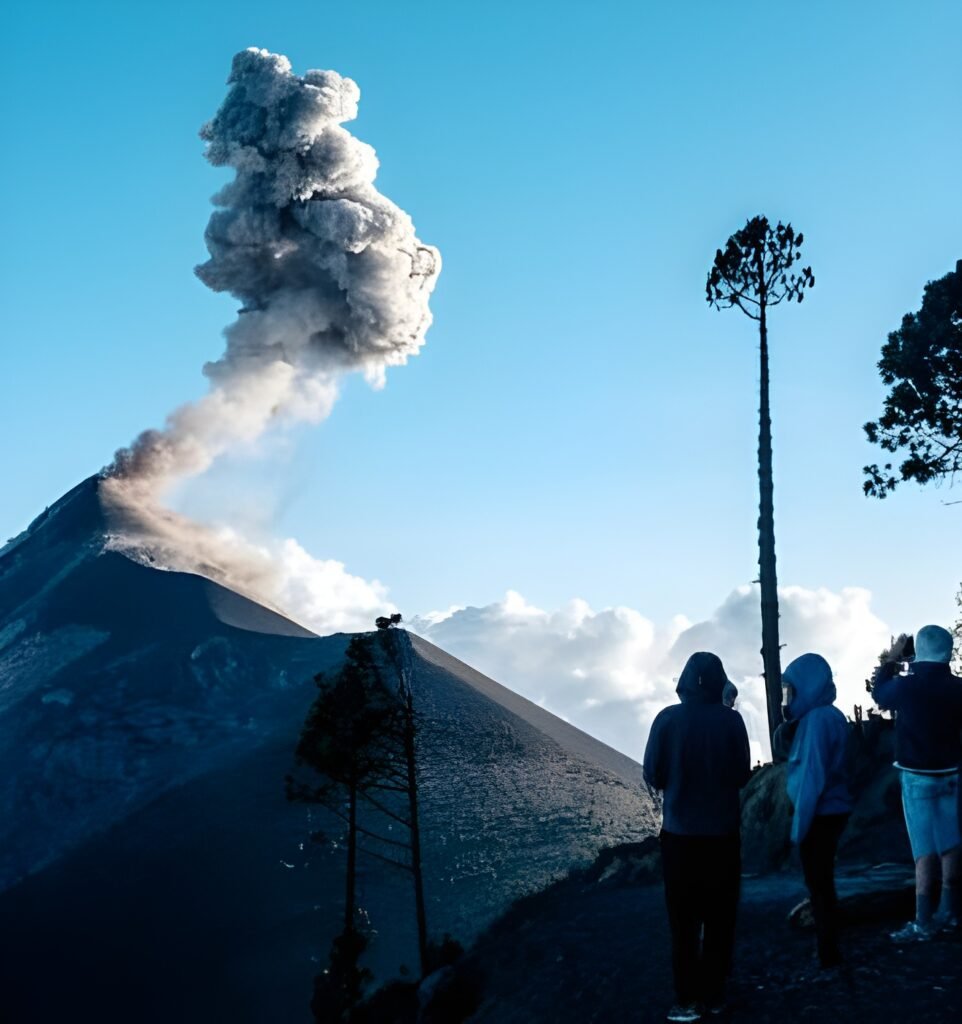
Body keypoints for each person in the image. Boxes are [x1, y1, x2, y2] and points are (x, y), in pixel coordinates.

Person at [643, 652, 751, 1022]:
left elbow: (653, 774)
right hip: (723, 835)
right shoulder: (732, 721)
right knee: (721, 919)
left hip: (679, 837)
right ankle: (716, 994)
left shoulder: (666, 720)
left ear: (685, 680)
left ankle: (687, 1000)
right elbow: (741, 774)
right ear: (720, 679)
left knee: (683, 922)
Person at [872, 624, 962, 940]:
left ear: (918, 651)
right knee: (950, 843)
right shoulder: (958, 688)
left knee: (924, 850)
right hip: (952, 774)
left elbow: (878, 692)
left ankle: (923, 921)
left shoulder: (906, 687)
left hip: (916, 777)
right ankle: (949, 911)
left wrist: (893, 657)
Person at [781, 653, 855, 969]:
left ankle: (828, 952)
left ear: (807, 687)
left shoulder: (817, 722)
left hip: (820, 813)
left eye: (791, 690)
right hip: (835, 809)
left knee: (819, 882)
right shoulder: (831, 715)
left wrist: (798, 829)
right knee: (823, 880)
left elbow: (811, 777)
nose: (788, 698)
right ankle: (830, 946)